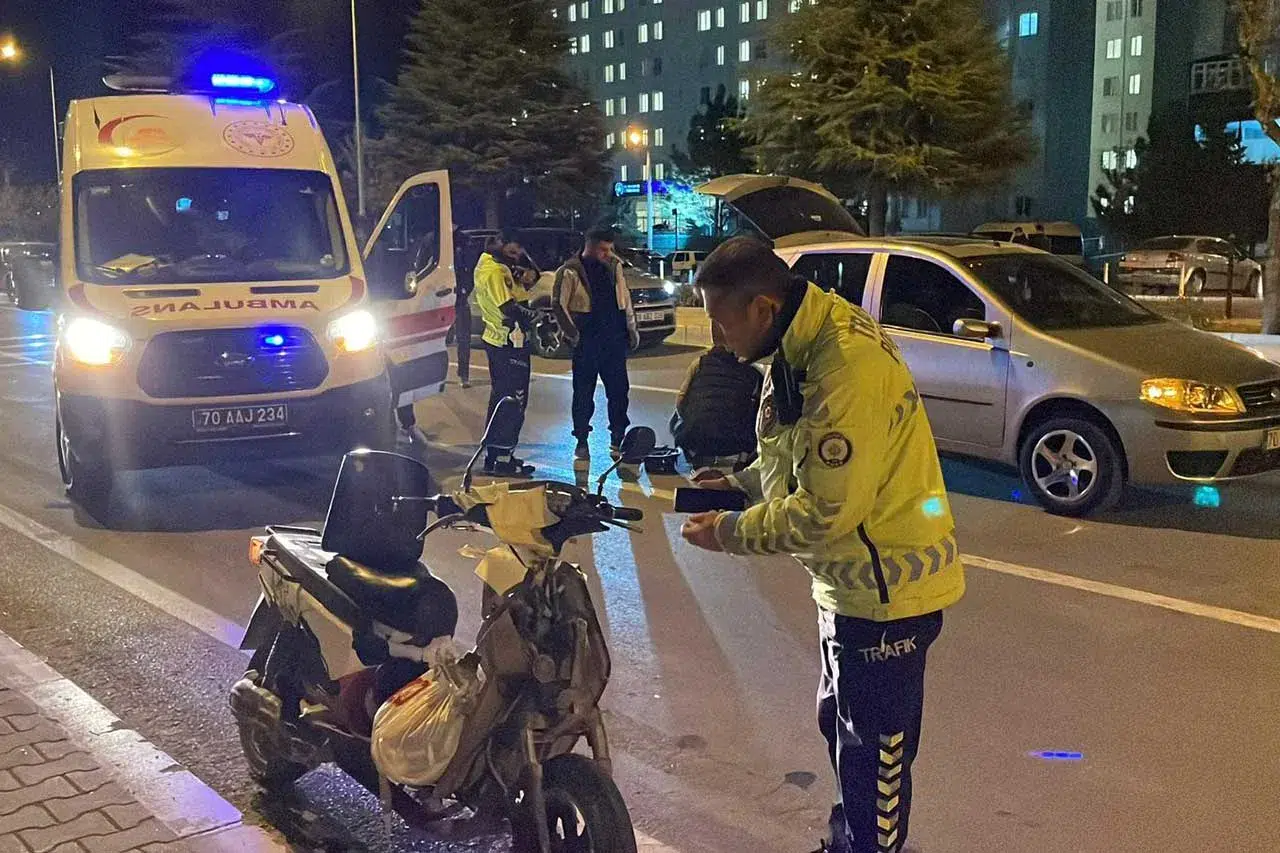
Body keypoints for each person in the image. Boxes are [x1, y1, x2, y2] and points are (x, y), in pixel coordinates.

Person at [679, 237, 965, 853]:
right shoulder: (799, 341)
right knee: (842, 729)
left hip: (887, 597)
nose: (717, 339)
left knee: (875, 761)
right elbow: (796, 454)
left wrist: (728, 533)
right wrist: (738, 485)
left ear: (761, 308)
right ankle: (847, 841)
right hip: (848, 588)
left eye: (721, 321)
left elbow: (826, 511)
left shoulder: (843, 365)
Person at [552, 227, 640, 460]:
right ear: (588, 245)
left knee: (619, 393)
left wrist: (632, 329)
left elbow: (625, 299)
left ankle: (617, 438)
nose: (607, 254)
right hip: (587, 341)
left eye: (610, 249)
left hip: (614, 340)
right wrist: (574, 335)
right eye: (603, 249)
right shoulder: (570, 271)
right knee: (583, 394)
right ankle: (581, 440)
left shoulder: (614, 266)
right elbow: (558, 304)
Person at [474, 233, 539, 477]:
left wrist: (523, 268)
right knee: (514, 401)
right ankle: (502, 458)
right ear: (498, 243)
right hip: (508, 342)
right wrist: (536, 317)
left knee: (502, 399)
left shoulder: (495, 267)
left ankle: (497, 456)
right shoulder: (494, 271)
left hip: (501, 341)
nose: (518, 255)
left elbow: (530, 280)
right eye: (513, 250)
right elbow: (509, 308)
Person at [670, 323, 763, 472]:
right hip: (735, 441)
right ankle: (744, 459)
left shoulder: (699, 363)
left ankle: (690, 454)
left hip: (694, 436)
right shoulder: (753, 372)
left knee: (675, 418)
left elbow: (680, 401)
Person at [451, 226, 474, 389]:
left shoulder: (464, 241)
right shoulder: (433, 239)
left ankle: (464, 374)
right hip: (440, 294)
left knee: (463, 337)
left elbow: (470, 270)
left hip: (459, 296)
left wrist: (465, 290)